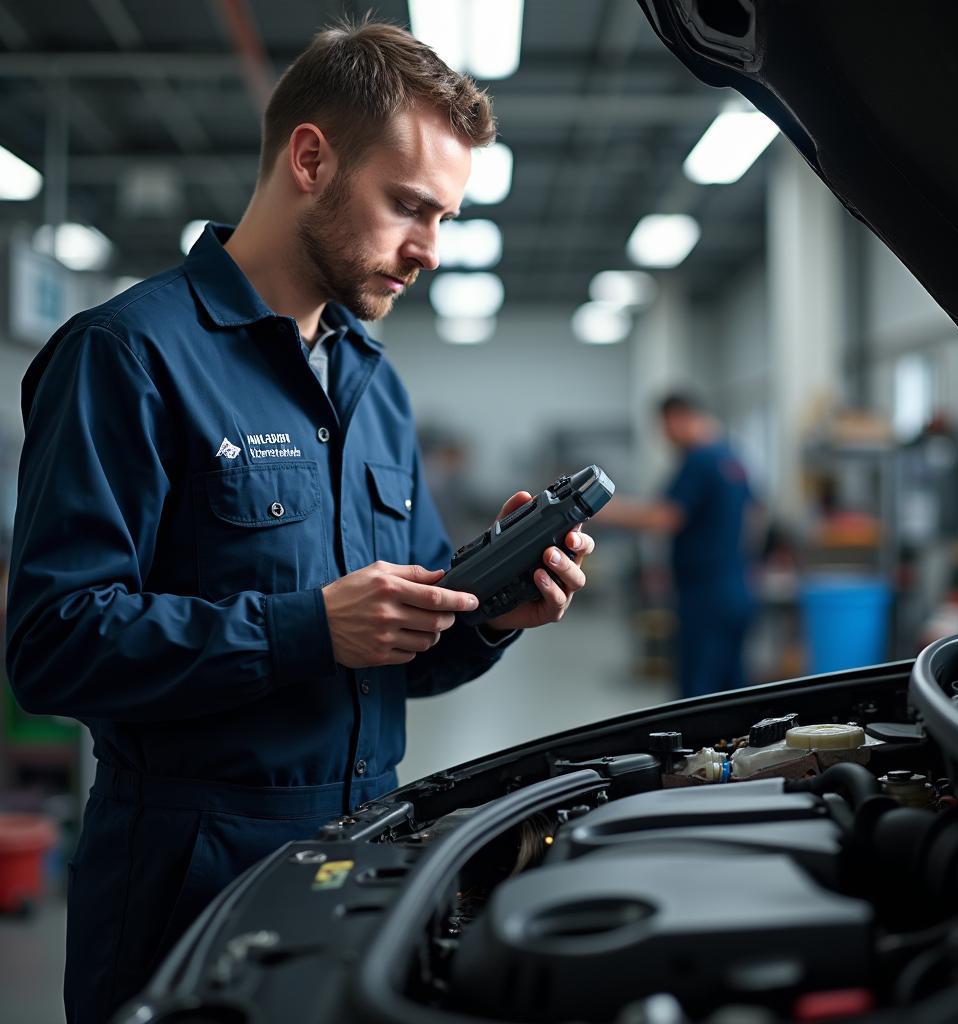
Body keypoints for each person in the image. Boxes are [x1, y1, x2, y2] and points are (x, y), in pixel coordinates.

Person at [3, 20, 595, 1024]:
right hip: (186, 874)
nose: (428, 251)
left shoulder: (376, 389)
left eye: (443, 217)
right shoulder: (130, 357)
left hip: (363, 852)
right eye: (408, 206)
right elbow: (51, 646)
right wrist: (304, 626)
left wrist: (491, 611)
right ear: (311, 158)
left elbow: (400, 652)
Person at [602, 392, 756, 698]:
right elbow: (754, 515)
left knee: (697, 694)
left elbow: (664, 517)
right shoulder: (732, 458)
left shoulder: (699, 459)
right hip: (737, 587)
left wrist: (597, 509)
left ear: (678, 417)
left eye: (663, 426)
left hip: (705, 595)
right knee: (733, 691)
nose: (664, 436)